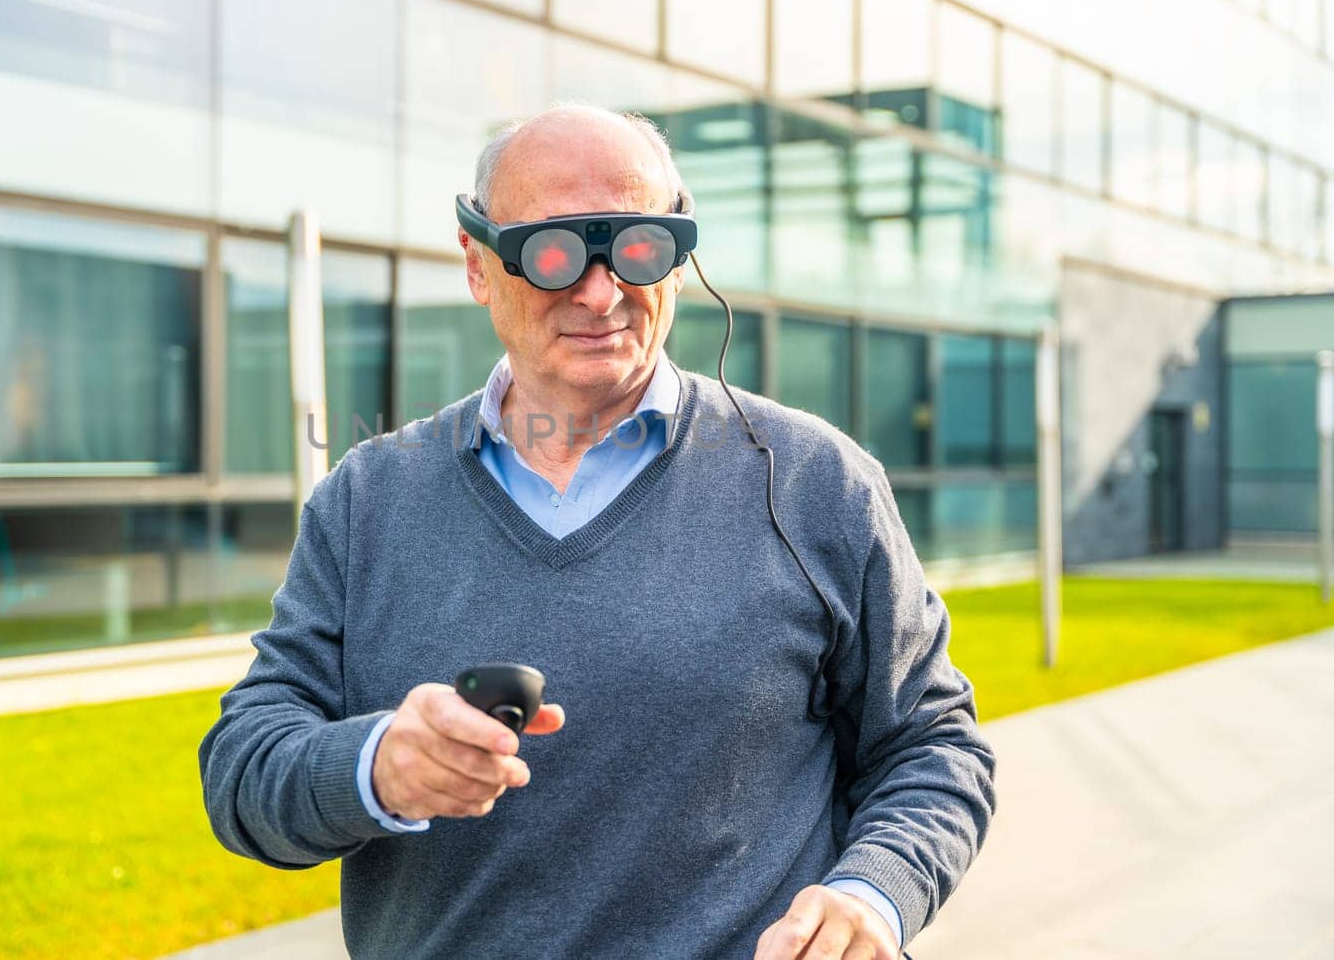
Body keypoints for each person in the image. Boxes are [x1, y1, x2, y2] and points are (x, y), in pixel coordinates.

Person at [199, 102, 996, 959]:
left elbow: (932, 744)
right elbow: (244, 768)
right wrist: (373, 766)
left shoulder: (814, 482)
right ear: (477, 263)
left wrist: (872, 893)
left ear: (681, 255)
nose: (600, 291)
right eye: (552, 253)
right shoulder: (369, 498)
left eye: (639, 246)